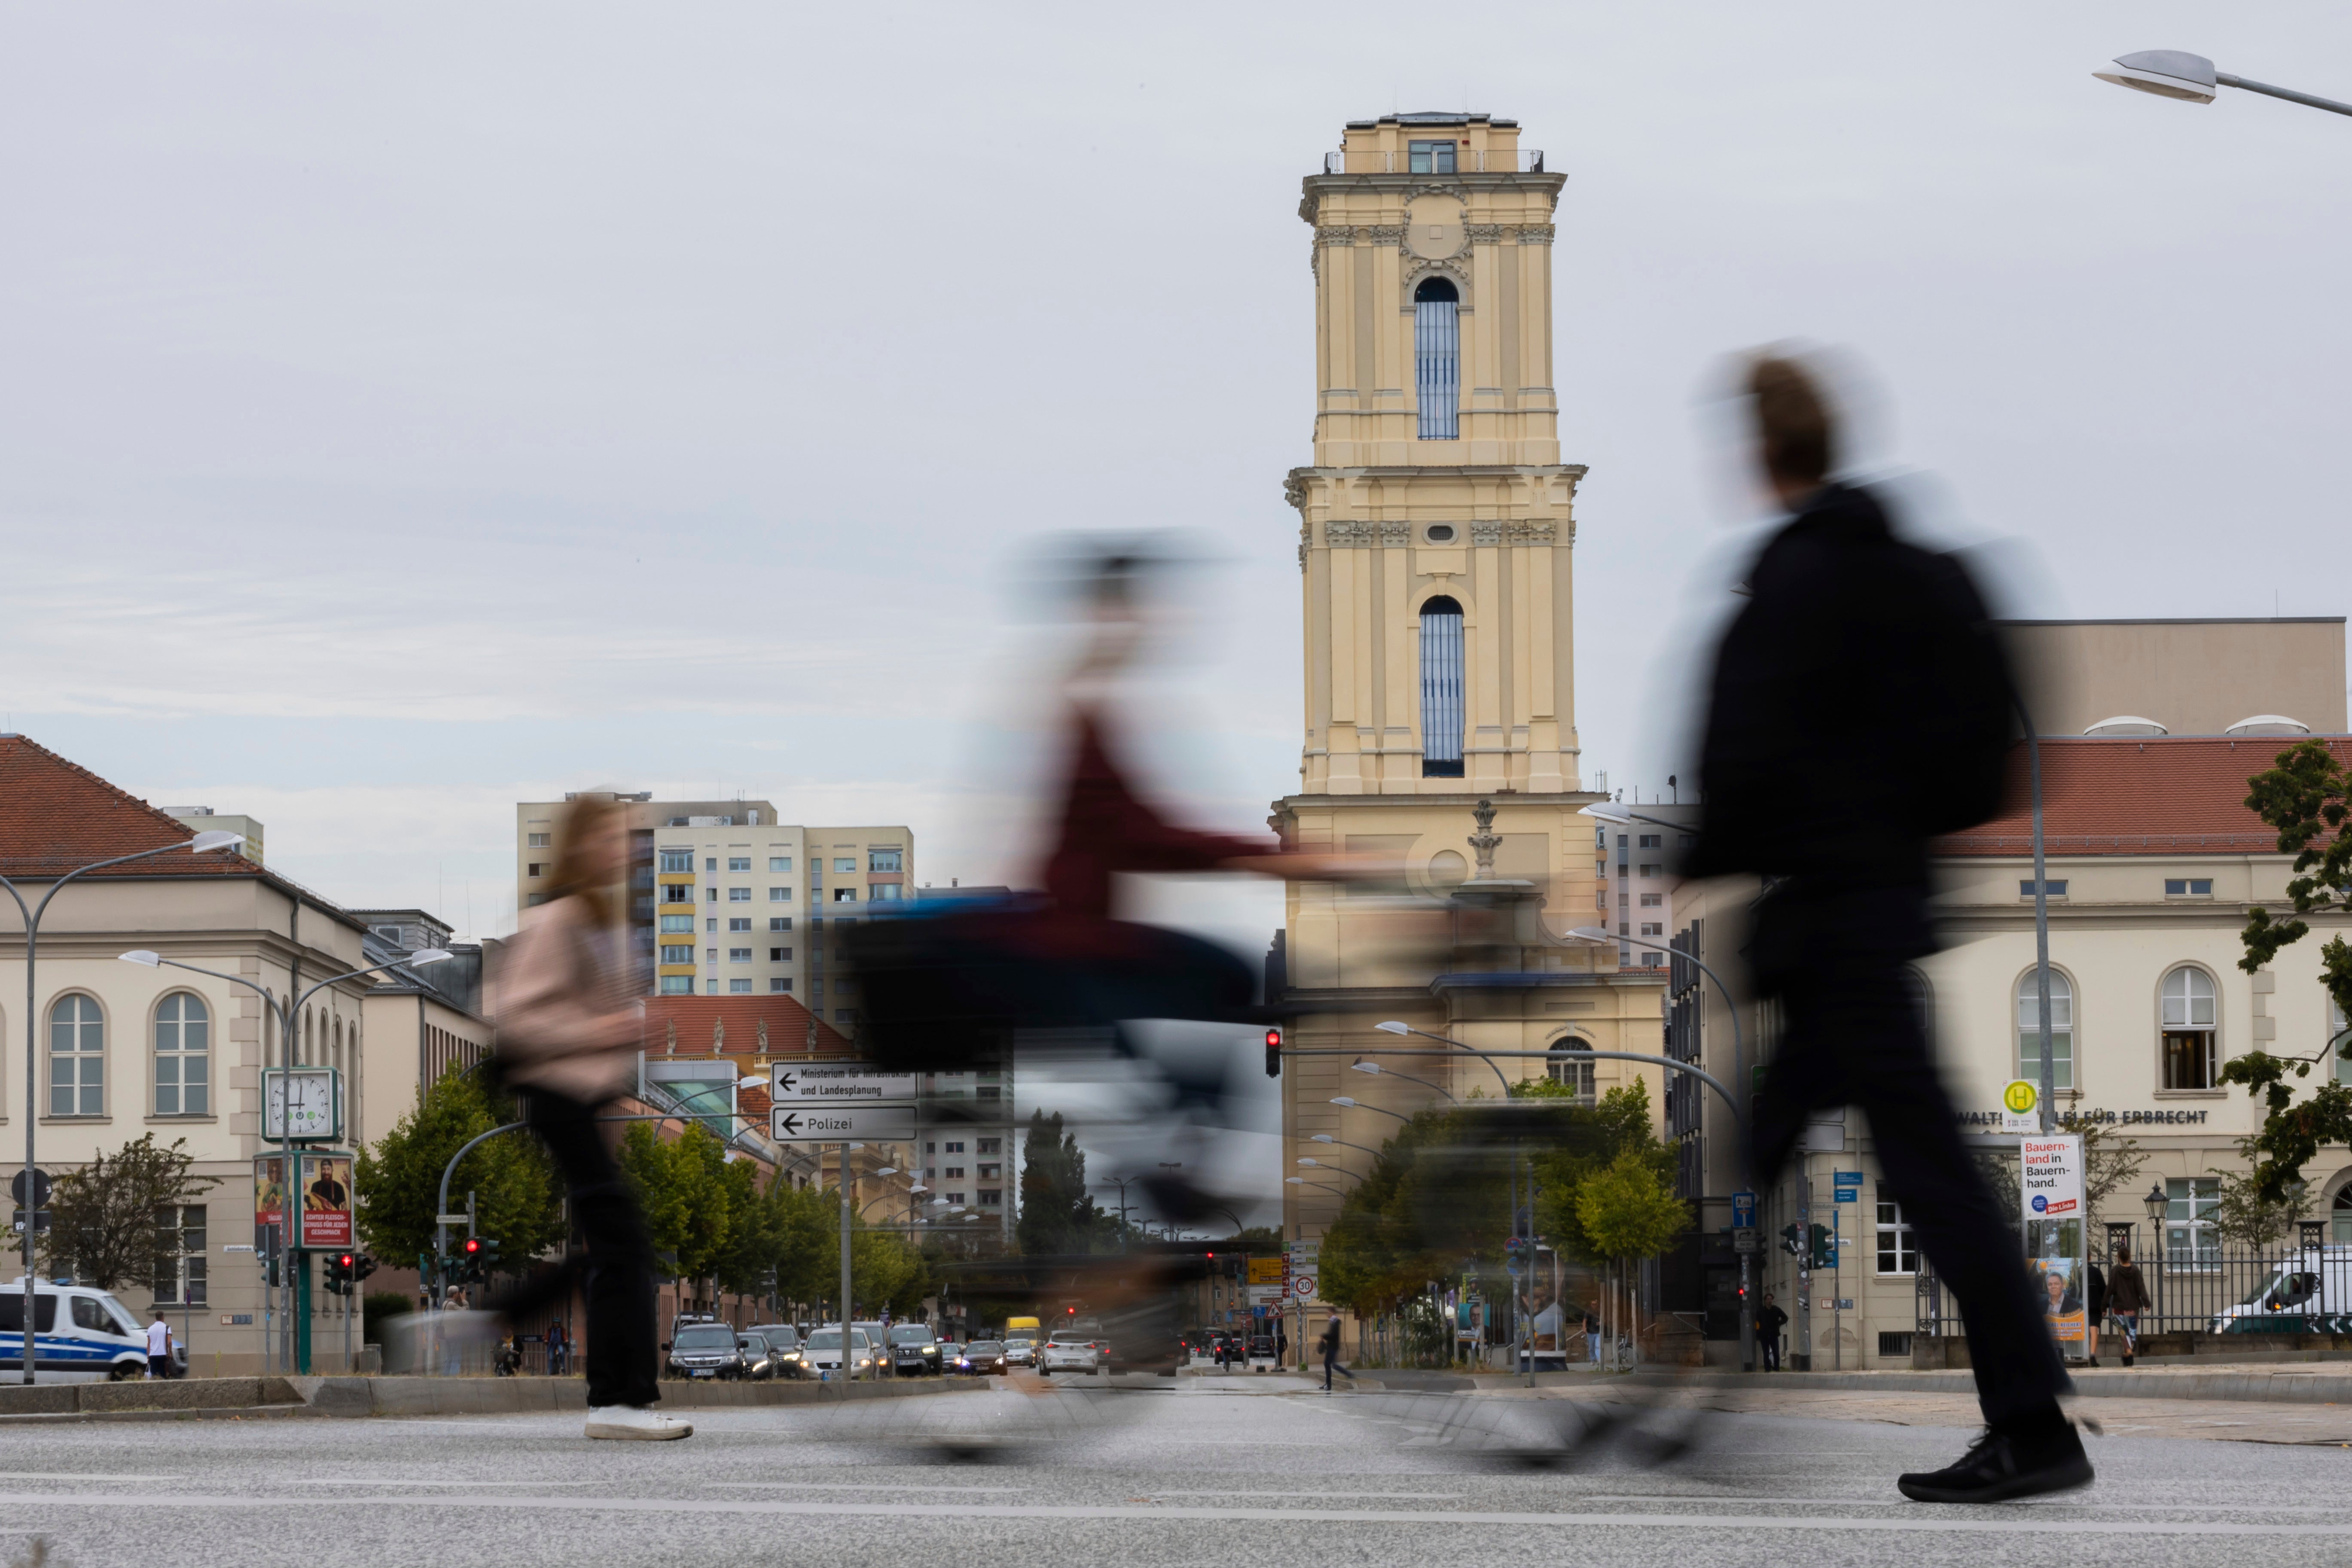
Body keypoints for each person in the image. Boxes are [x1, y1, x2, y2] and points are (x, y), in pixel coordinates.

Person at [1688, 352, 2087, 1504]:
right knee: (1771, 1134)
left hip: (1832, 925)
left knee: (1925, 1174)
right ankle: (1696, 1392)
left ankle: (2030, 1421)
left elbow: (1739, 750)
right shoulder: (1915, 569)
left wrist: (1688, 858)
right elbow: (1994, 739)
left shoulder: (1795, 576)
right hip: (1875, 910)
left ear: (1761, 454)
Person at [384, 793, 686, 1441]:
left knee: (609, 1247)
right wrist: (608, 1027)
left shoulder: (601, 918)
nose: (625, 849)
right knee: (624, 1245)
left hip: (583, 1096)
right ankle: (616, 1401)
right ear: (580, 845)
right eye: (611, 836)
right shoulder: (563, 917)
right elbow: (516, 1012)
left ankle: (479, 1322)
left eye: (628, 839)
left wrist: (621, 1035)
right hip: (556, 1092)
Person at [2107, 1245, 2148, 1368]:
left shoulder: (2115, 1271)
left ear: (2119, 1257)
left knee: (2123, 1331)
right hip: (2134, 1307)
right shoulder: (2136, 1270)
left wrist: (2104, 1305)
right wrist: (2147, 1303)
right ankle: (2129, 1349)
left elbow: (2110, 1289)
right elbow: (2141, 1287)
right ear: (2129, 1257)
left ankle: (2128, 1352)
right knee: (2132, 1330)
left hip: (2119, 1307)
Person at [1318, 1314, 1353, 1392]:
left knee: (1333, 1364)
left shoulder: (1336, 1322)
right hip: (1331, 1346)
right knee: (1327, 1364)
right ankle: (1328, 1384)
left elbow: (1333, 1335)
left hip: (1333, 1347)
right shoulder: (1333, 1322)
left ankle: (1348, 1374)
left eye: (1329, 1312)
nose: (1327, 1314)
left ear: (1332, 1312)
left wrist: (1324, 1336)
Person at [1757, 1293, 1788, 1373]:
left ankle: (1777, 1368)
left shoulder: (1776, 1309)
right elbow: (1757, 1323)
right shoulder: (1761, 1311)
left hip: (1774, 1334)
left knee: (1776, 1353)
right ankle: (1767, 1368)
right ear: (1765, 1300)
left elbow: (1785, 1318)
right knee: (1766, 1353)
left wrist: (1779, 1323)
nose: (1770, 1301)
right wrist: (1758, 1333)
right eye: (1768, 1299)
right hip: (1764, 1335)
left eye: (1771, 1299)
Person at [2084, 1260, 2108, 1366]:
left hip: (2080, 1305)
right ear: (2090, 1257)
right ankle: (2092, 1354)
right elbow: (2104, 1290)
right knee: (2094, 1329)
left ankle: (2079, 1354)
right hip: (2095, 1304)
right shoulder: (2096, 1271)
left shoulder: (2078, 1270)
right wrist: (2105, 1307)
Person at [145, 1312, 173, 1380]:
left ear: (156, 1318)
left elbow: (149, 1344)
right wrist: (170, 1352)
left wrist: (148, 1357)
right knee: (163, 1376)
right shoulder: (167, 1328)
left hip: (153, 1356)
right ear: (163, 1318)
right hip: (163, 1355)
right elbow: (169, 1342)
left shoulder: (150, 1329)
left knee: (154, 1376)